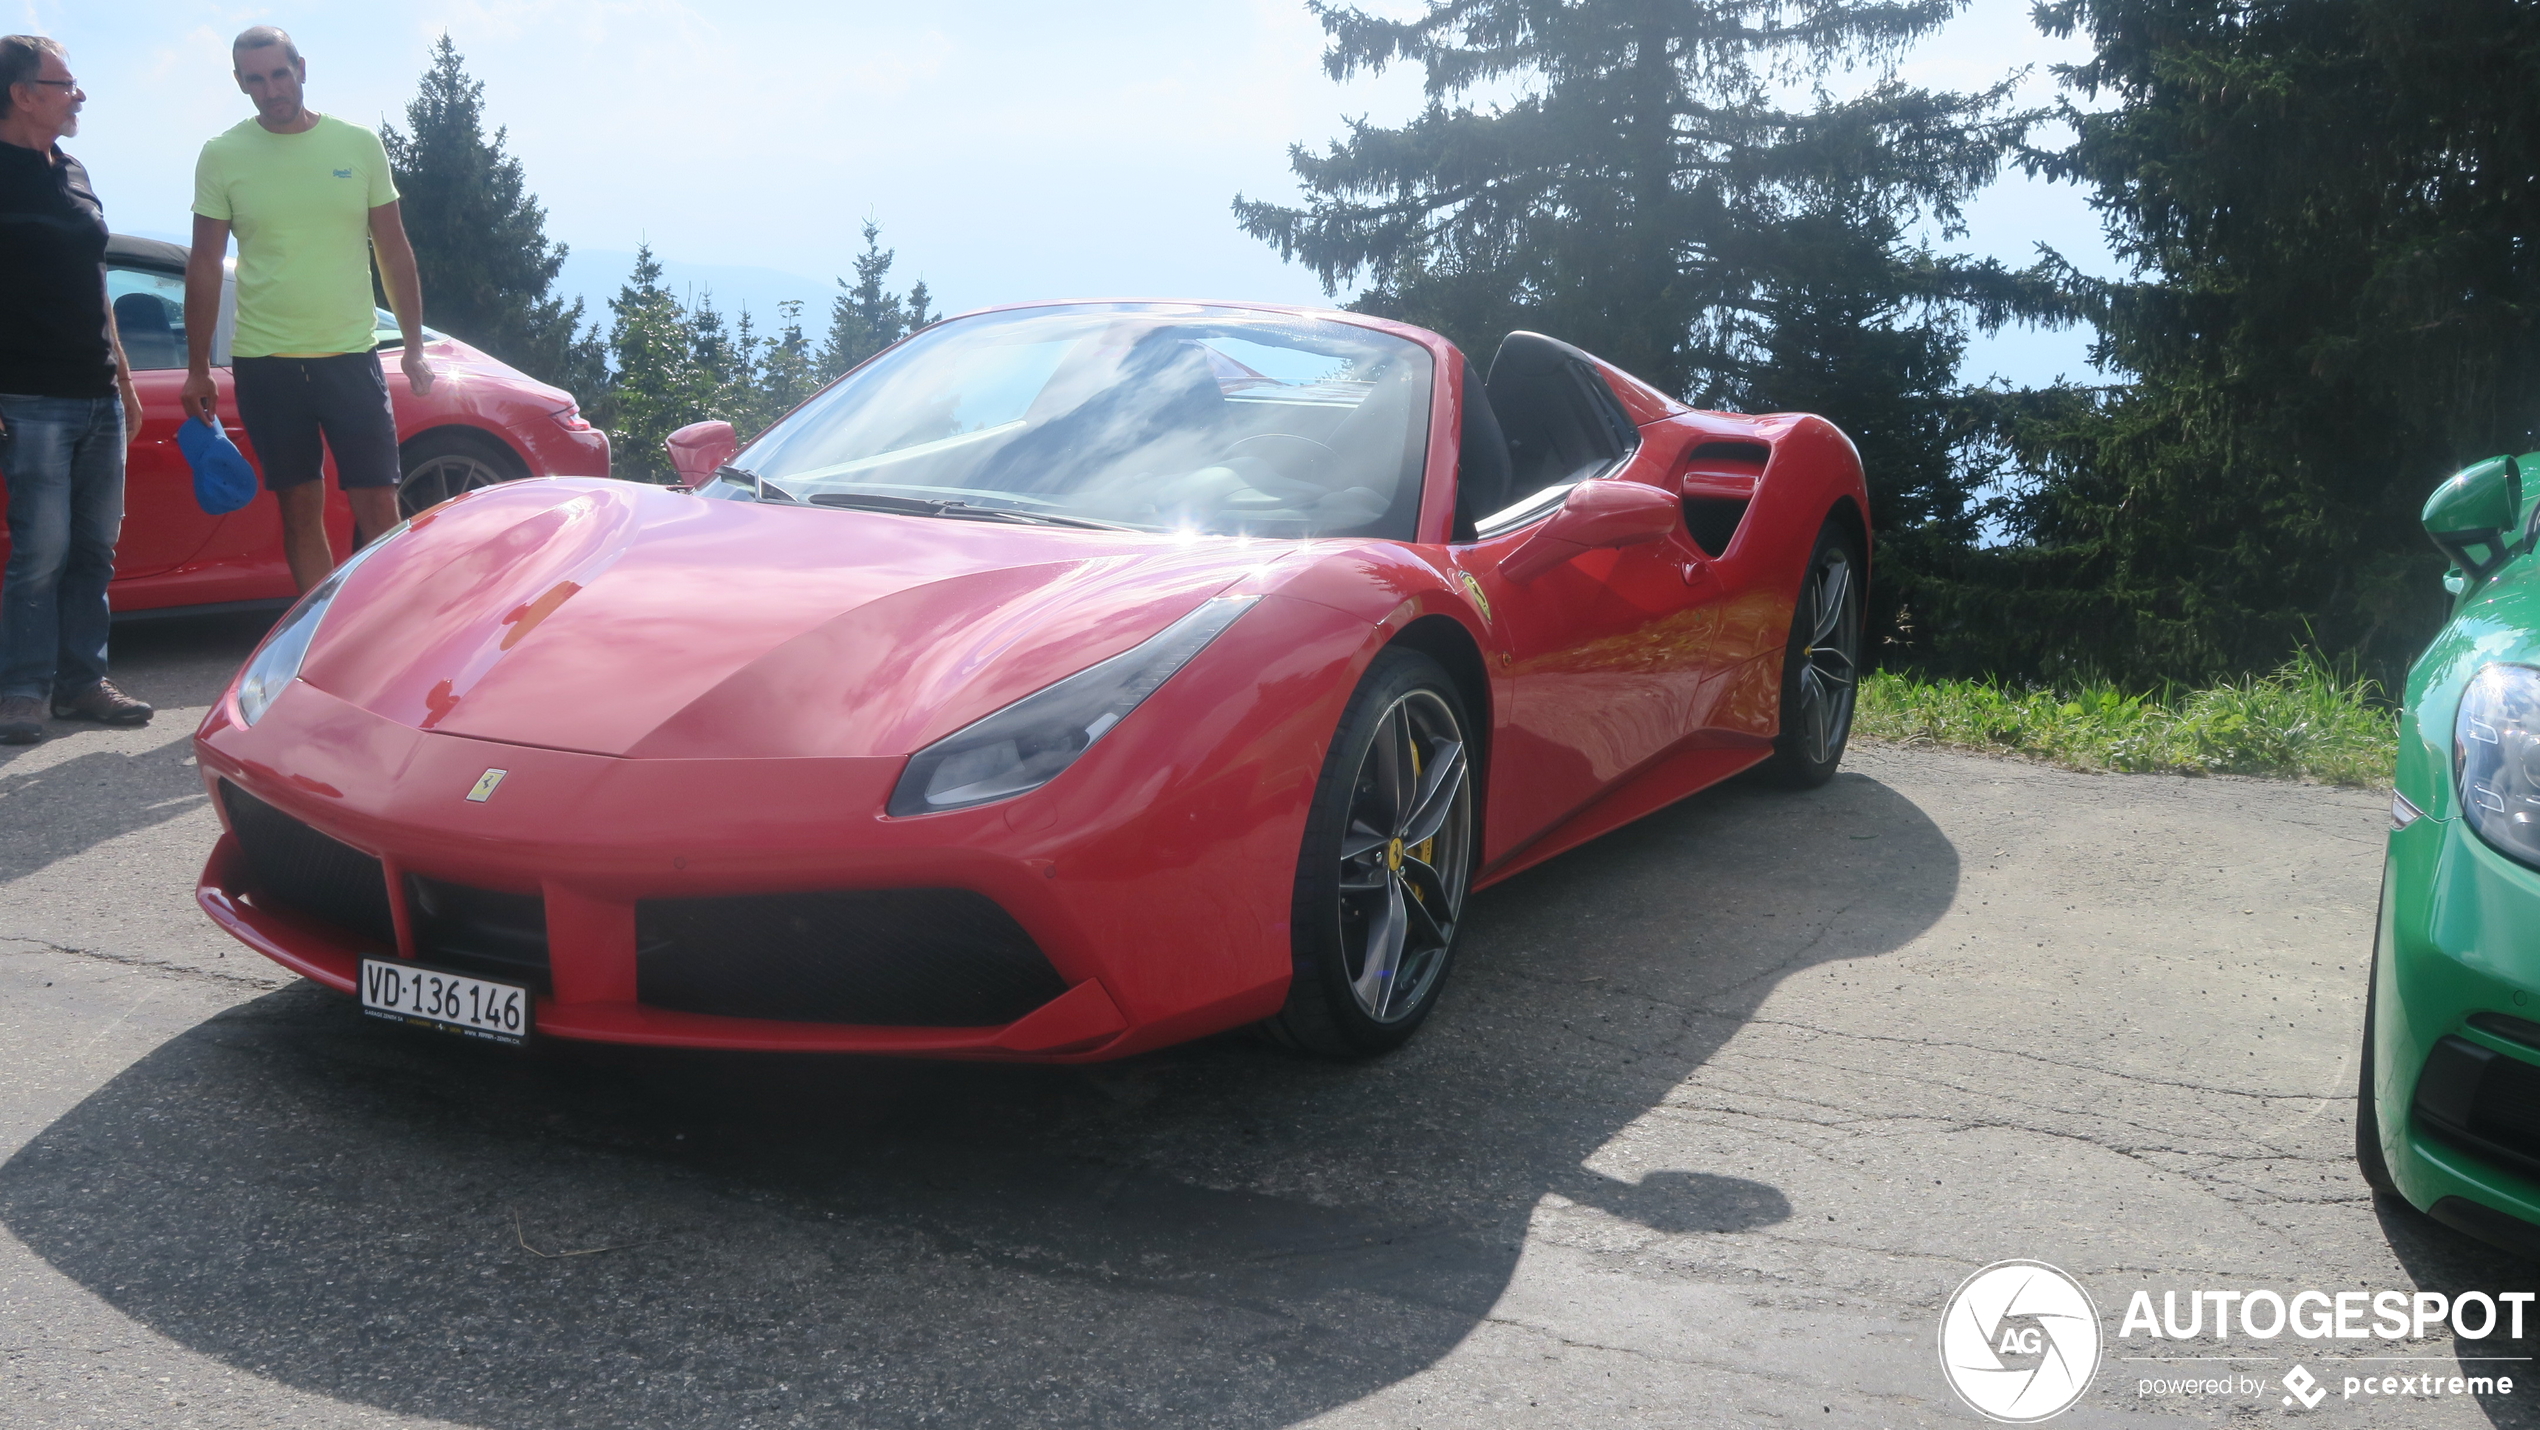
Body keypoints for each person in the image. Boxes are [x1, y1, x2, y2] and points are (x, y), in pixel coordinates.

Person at [181, 25, 432, 594]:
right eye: (256, 79)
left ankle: (388, 625)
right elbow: (203, 263)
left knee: (378, 504)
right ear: (241, 84)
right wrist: (199, 366)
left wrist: (414, 345)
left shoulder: (358, 144)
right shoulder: (222, 155)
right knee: (299, 508)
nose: (271, 89)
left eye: (279, 73)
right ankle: (321, 633)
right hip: (266, 361)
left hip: (350, 353)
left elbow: (392, 249)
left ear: (301, 68)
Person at [0, 35, 152, 746]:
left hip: (95, 393)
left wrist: (122, 378)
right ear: (22, 94)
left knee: (95, 546)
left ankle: (82, 682)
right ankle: (22, 691)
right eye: (65, 83)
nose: (79, 94)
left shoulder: (75, 170)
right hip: (27, 397)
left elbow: (97, 282)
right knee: (41, 549)